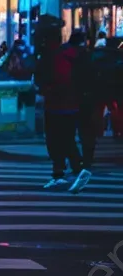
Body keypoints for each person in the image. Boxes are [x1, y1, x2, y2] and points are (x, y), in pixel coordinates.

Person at [43, 29, 92, 191]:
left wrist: (47, 89)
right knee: (68, 138)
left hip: (56, 104)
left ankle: (61, 172)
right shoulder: (82, 56)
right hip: (74, 104)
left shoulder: (58, 55)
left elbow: (52, 79)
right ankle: (76, 168)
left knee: (56, 140)